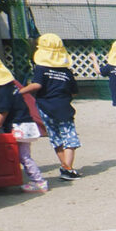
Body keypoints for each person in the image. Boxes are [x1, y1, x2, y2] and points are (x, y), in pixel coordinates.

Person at [19, 33, 83, 180]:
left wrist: (20, 91)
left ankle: (66, 167)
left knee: (56, 138)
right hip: (63, 108)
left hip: (45, 107)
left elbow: (37, 85)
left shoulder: (41, 69)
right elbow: (74, 93)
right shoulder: (67, 72)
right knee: (70, 138)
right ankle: (67, 168)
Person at [0, 52, 48, 192]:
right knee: (13, 153)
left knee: (23, 155)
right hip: (21, 123)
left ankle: (38, 181)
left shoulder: (3, 90)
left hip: (20, 125)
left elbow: (3, 111)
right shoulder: (8, 86)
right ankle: (3, 181)